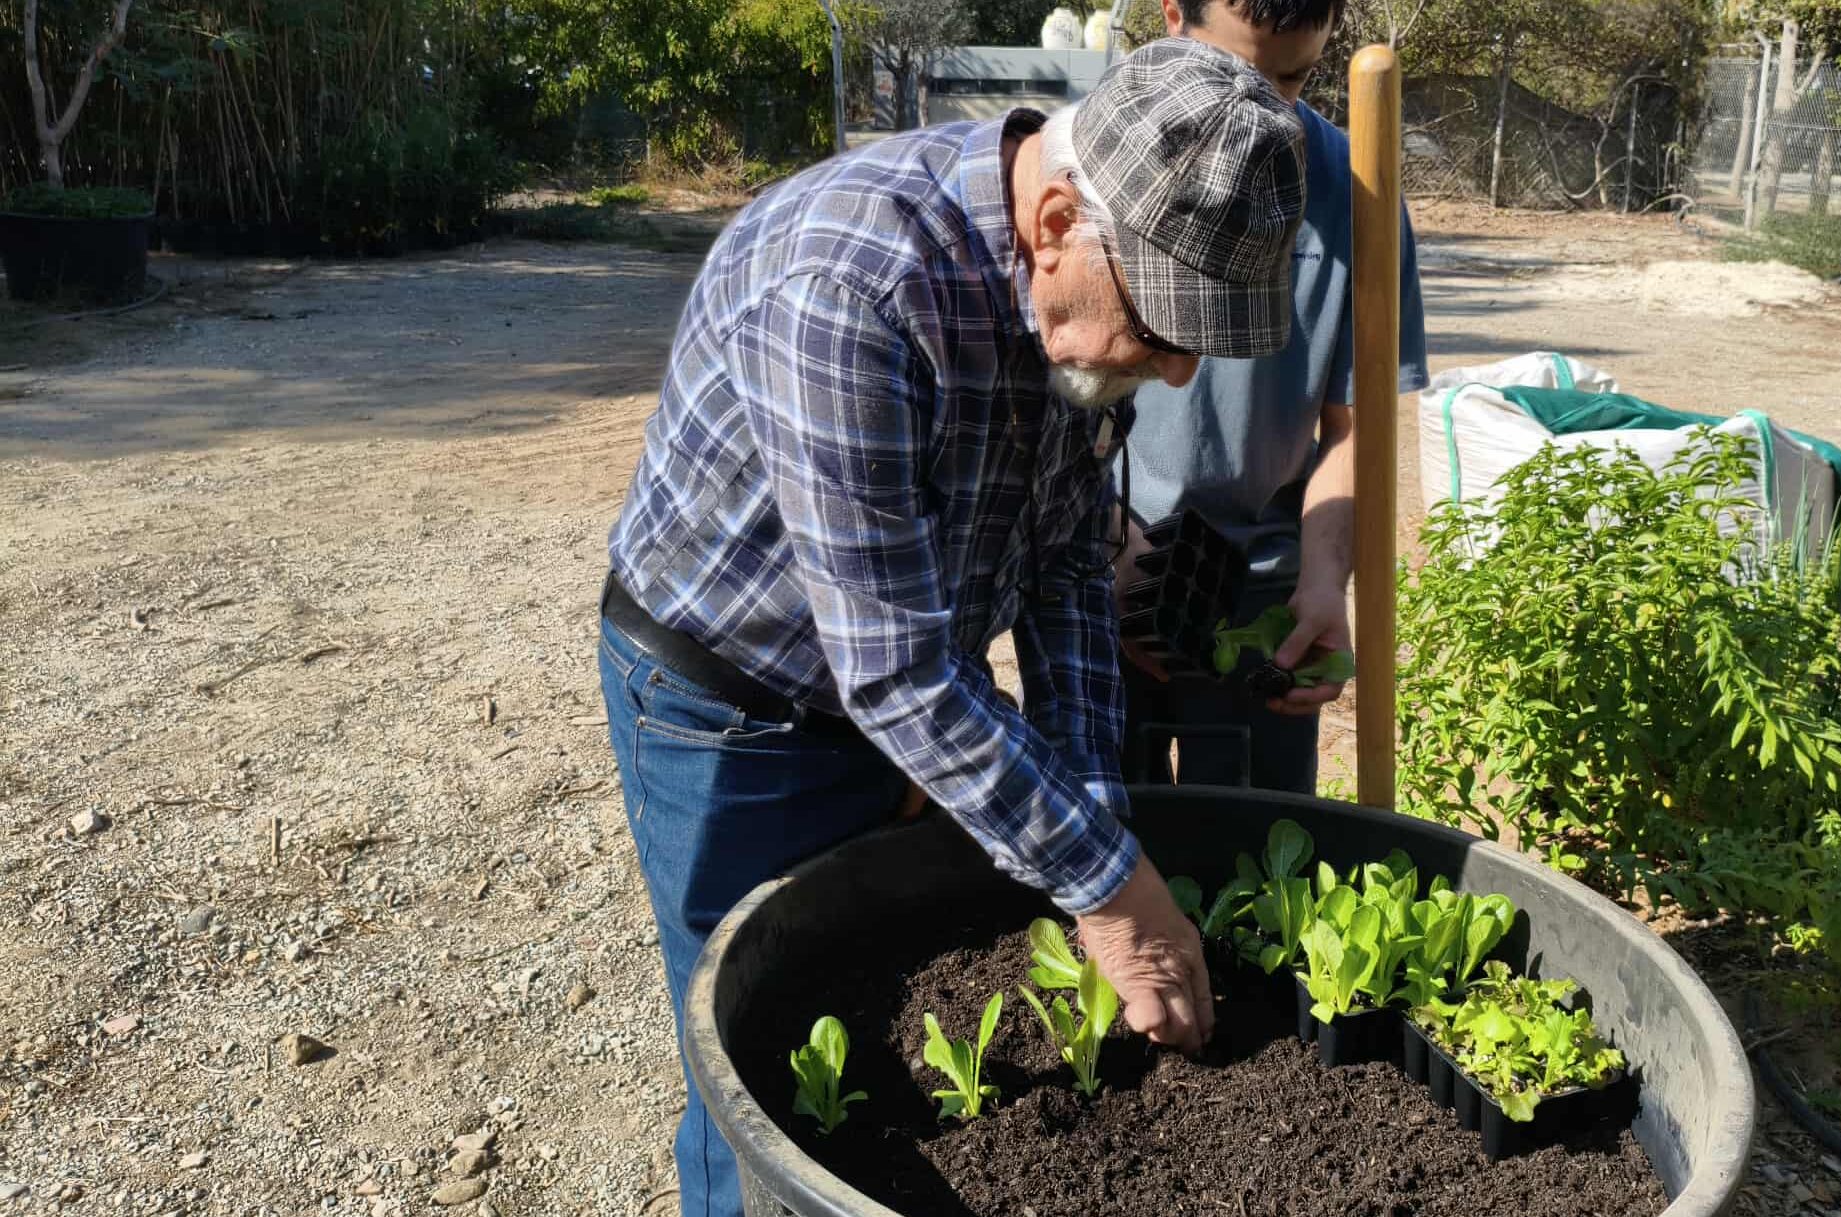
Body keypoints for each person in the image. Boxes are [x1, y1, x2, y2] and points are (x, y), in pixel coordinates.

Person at [597, 40, 1307, 1217]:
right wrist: (1114, 892)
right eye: (1163, 327)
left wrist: (1093, 812)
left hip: (898, 687)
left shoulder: (1070, 308)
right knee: (762, 1075)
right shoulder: (851, 286)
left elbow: (1071, 562)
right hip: (734, 703)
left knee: (884, 1015)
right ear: (1060, 218)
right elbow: (895, 673)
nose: (1177, 373)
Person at [1117, 0, 1431, 795]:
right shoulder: (1099, 156)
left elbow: (1353, 426)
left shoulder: (1357, 194)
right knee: (1098, 853)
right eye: (1235, 77)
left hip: (1261, 588)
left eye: (1289, 82)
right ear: (1172, 18)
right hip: (1089, 564)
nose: (1257, 119)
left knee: (1261, 868)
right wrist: (1107, 540)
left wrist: (1324, 579)